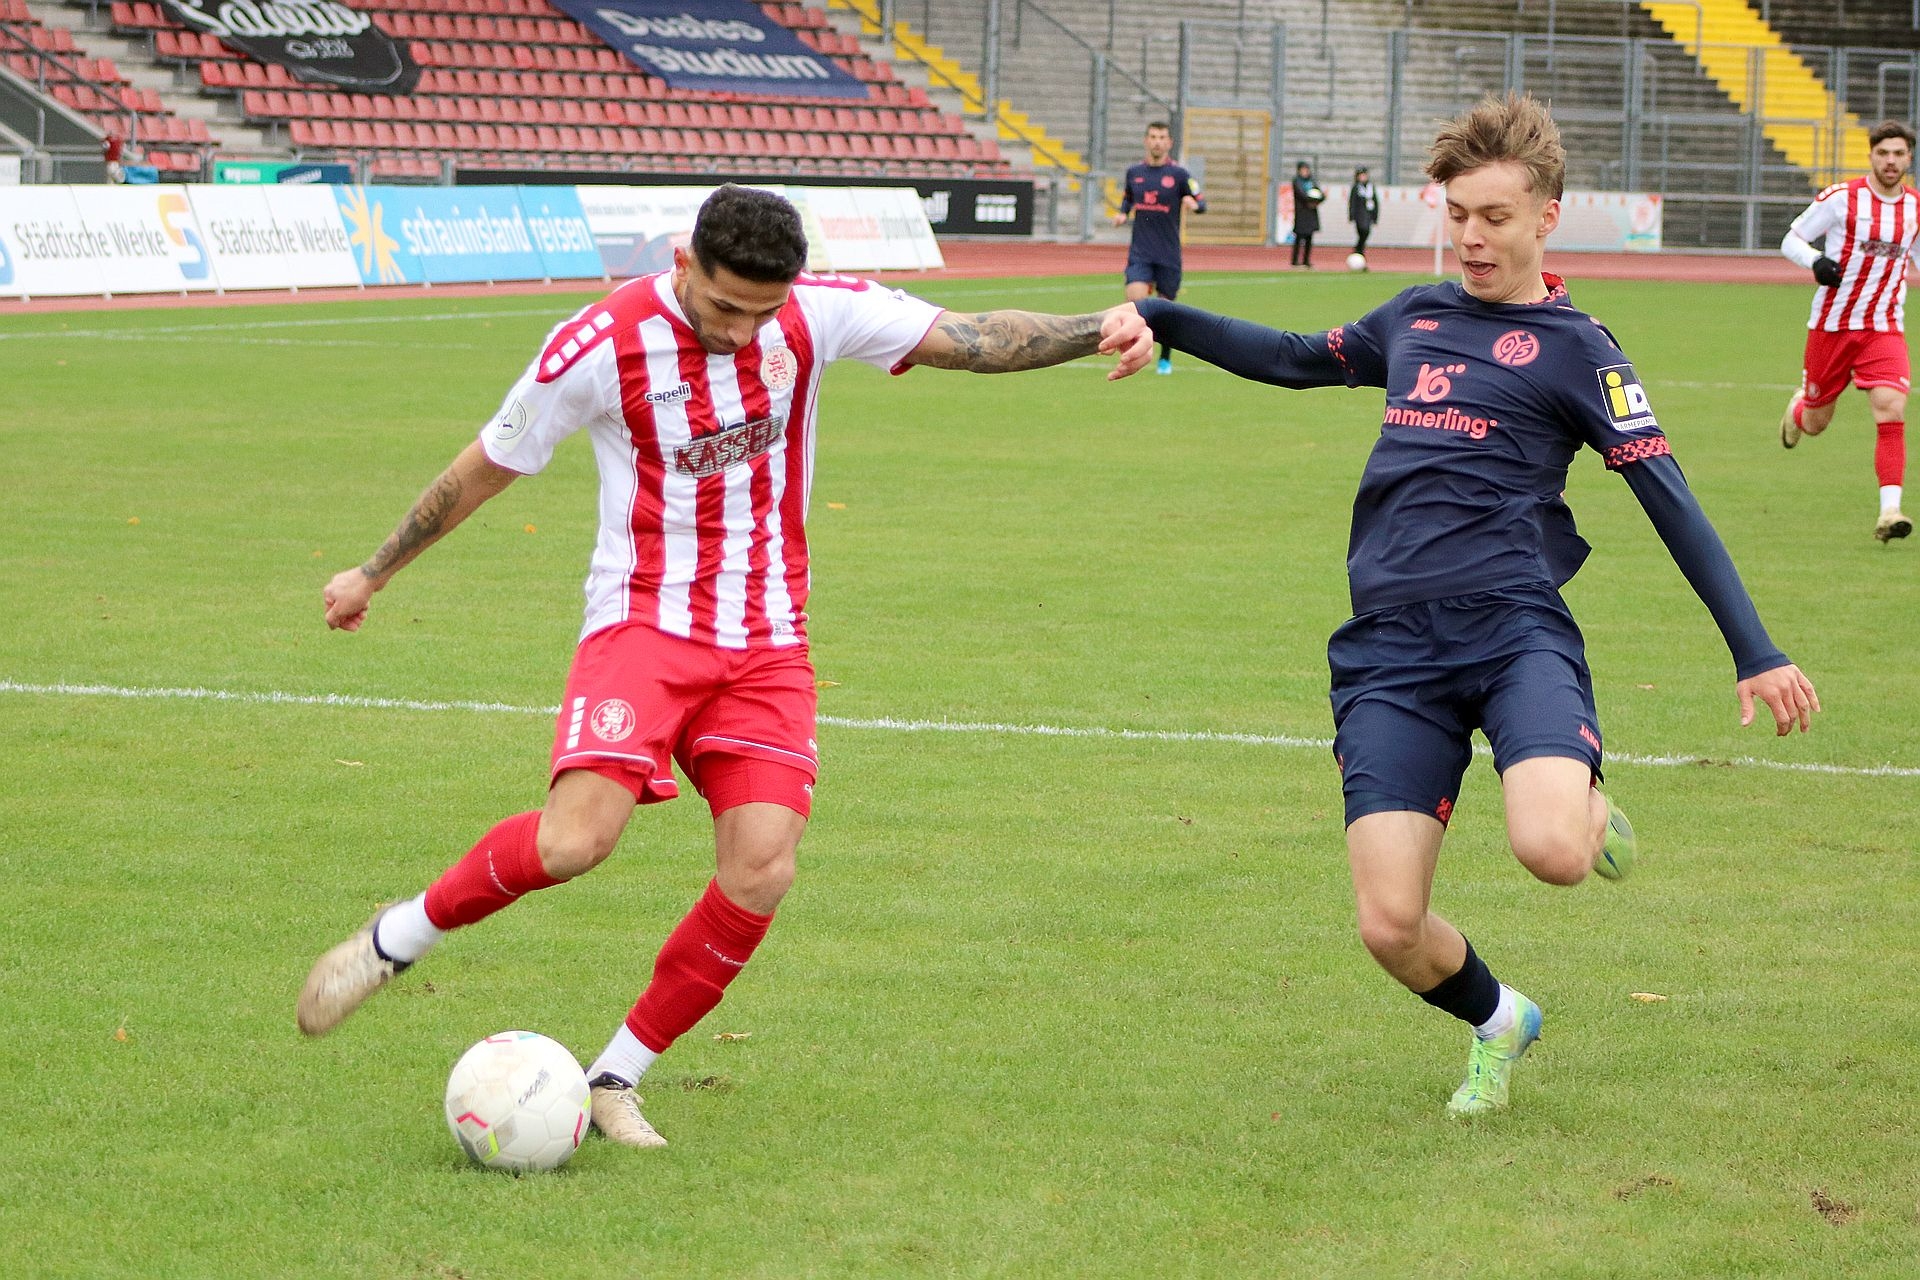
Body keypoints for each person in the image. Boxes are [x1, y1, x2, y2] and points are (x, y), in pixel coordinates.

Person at [297, 184, 1155, 1149]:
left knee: (762, 867)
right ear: (682, 263)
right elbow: (487, 465)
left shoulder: (816, 312)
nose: (743, 331)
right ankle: (396, 938)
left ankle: (616, 1076)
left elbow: (974, 337)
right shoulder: (599, 345)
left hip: (767, 641)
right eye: (723, 307)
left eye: (761, 312)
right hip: (643, 628)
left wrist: (1101, 326)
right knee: (575, 843)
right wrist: (372, 572)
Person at [1103, 93, 1819, 1117]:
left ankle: (1588, 806)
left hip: (1512, 630)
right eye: (1457, 215)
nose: (1472, 237)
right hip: (1390, 650)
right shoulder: (1414, 317)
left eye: (1495, 216)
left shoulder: (1581, 348)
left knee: (1553, 852)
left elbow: (1671, 501)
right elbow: (1295, 358)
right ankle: (1499, 1019)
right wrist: (1162, 316)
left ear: (1547, 217)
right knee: (1389, 924)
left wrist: (1755, 649)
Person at [1778, 119, 1918, 543]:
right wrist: (1816, 261)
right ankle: (1799, 410)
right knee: (1816, 422)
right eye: (1883, 153)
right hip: (1832, 327)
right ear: (1871, 155)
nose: (1890, 161)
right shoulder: (1842, 198)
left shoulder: (1914, 209)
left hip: (1883, 328)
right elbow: (1791, 240)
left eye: (1898, 154)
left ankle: (1889, 511)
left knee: (1891, 408)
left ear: (1909, 158)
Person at [1112, 120, 1204, 375]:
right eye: (1153, 137)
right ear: (1146, 140)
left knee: (1166, 311)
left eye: (1162, 137)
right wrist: (1122, 214)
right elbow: (1128, 199)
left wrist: (1194, 204)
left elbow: (1200, 200)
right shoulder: (1134, 173)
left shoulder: (1180, 175)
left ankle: (1165, 357)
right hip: (1141, 251)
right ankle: (1137, 352)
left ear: (1169, 143)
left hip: (1168, 253)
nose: (1157, 142)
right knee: (1135, 302)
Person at [1289, 160, 1324, 268]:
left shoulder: (1312, 181)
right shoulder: (1297, 181)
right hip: (1301, 212)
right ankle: (1295, 260)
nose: (1305, 172)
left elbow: (1320, 194)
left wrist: (1317, 200)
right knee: (1299, 236)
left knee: (1309, 237)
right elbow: (1301, 195)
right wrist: (1311, 200)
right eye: (1303, 170)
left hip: (1311, 213)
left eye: (1306, 169)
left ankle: (1306, 260)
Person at [1348, 165, 1380, 259]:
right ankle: (1359, 251)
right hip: (1359, 215)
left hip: (1368, 214)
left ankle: (1359, 250)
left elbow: (1375, 201)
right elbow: (1352, 202)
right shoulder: (1356, 188)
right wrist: (1351, 215)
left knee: (1366, 232)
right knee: (1362, 230)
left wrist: (1375, 216)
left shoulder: (1371, 187)